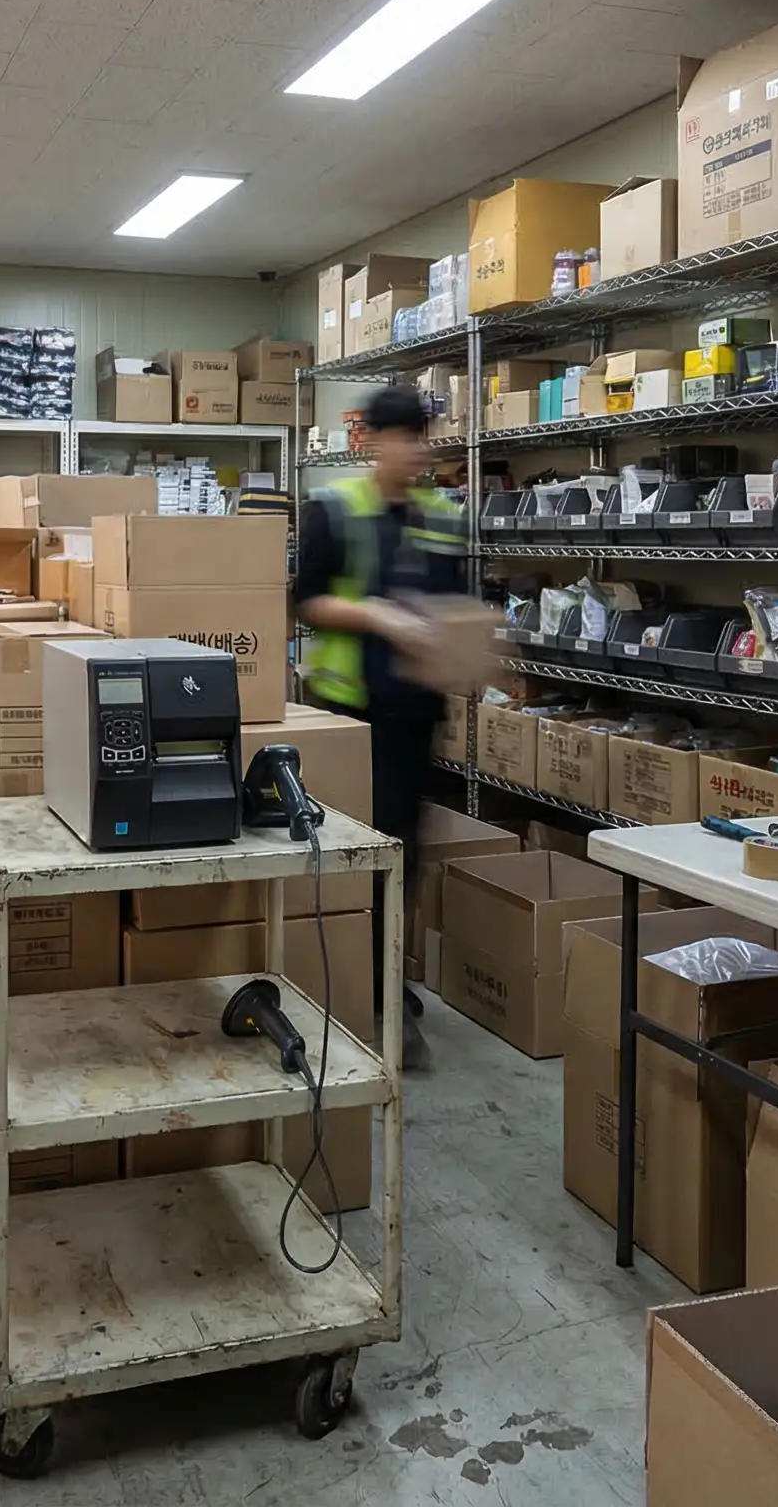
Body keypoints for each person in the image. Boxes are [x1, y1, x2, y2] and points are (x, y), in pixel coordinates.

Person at [291, 384, 466, 1070]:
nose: (418, 451)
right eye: (406, 437)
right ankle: (369, 996)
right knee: (356, 860)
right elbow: (304, 601)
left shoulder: (442, 515)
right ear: (374, 442)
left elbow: (455, 604)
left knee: (404, 856)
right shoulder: (335, 509)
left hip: (414, 714)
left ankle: (386, 980)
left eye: (424, 437)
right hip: (350, 715)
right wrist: (376, 616)